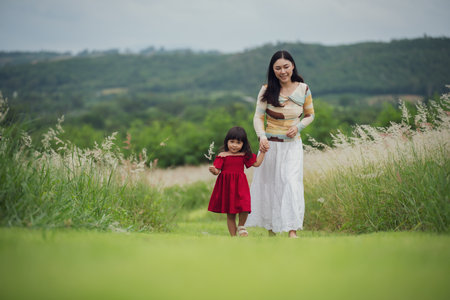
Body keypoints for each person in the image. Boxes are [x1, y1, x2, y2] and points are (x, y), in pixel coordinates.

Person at [245, 50, 315, 238]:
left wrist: (298, 127)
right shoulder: (266, 89)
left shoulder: (303, 88)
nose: (282, 71)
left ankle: (292, 230)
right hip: (269, 146)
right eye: (278, 68)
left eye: (286, 66)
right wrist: (262, 137)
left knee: (291, 182)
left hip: (292, 145)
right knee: (269, 184)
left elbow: (310, 115)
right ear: (273, 70)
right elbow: (258, 117)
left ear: (292, 66)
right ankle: (271, 229)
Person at [208, 126, 265, 237]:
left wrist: (262, 152)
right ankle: (234, 238)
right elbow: (217, 170)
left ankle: (241, 226)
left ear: (243, 144)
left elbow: (257, 163)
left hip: (240, 185)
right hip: (227, 187)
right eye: (232, 141)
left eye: (238, 142)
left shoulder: (244, 155)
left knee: (245, 205)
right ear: (227, 141)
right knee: (230, 213)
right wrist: (213, 170)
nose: (234, 145)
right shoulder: (222, 156)